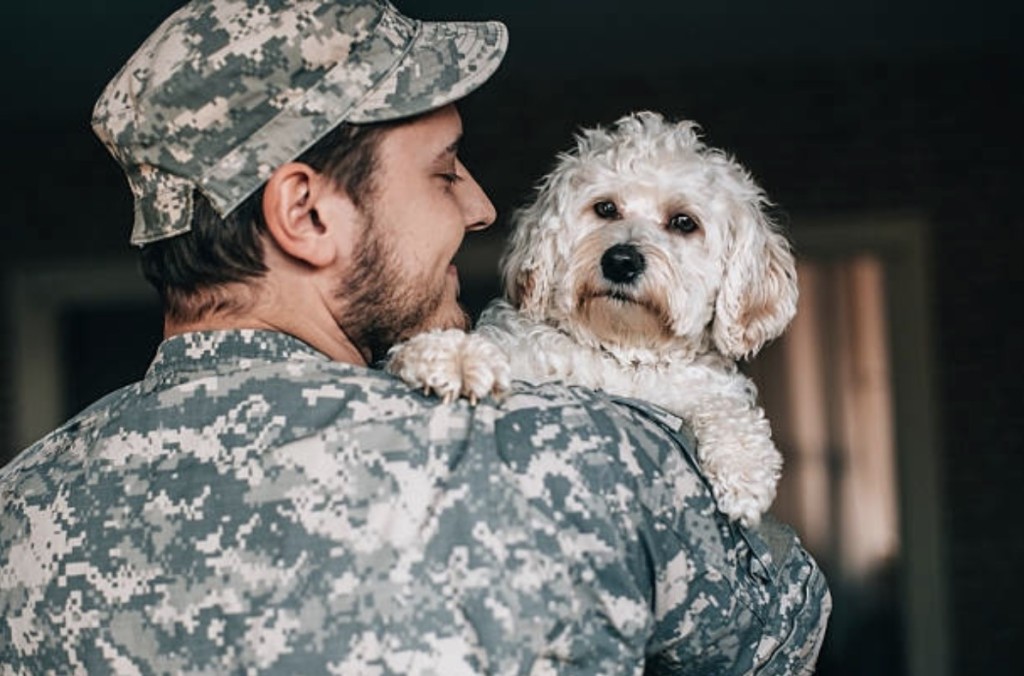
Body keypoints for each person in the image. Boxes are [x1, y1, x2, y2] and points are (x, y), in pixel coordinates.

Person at [0, 0, 830, 673]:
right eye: (444, 171)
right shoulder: (581, 451)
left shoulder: (16, 507)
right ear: (307, 214)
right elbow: (784, 630)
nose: (480, 209)